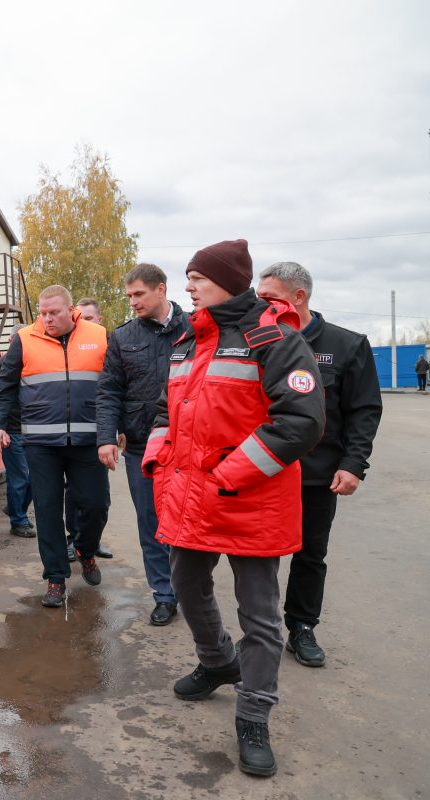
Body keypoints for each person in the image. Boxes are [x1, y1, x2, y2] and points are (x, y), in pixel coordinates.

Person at [144, 240, 324, 777]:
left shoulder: (276, 339)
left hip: (250, 503)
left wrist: (228, 476)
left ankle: (254, 715)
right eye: (188, 277)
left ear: (229, 281)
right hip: (190, 500)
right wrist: (157, 460)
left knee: (261, 618)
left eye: (197, 277)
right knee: (186, 589)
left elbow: (301, 421)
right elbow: (164, 410)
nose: (189, 287)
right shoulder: (187, 340)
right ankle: (218, 662)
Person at [258, 262, 382, 667]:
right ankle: (260, 630)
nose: (262, 305)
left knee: (311, 552)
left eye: (270, 297)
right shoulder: (258, 340)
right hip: (264, 470)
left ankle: (301, 626)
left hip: (317, 474)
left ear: (299, 298)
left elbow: (363, 411)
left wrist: (353, 463)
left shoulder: (346, 345)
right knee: (259, 554)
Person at [0, 285, 110, 608]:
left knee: (96, 504)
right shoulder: (25, 338)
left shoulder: (99, 336)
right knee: (47, 510)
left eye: (54, 312)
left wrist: (115, 430)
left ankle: (85, 548)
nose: (47, 319)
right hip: (41, 443)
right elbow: (5, 385)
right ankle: (55, 578)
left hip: (88, 440)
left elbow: (113, 386)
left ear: (70, 310)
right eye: (42, 313)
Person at [96, 264, 191, 626]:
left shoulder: (195, 330)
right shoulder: (123, 338)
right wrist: (106, 437)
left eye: (139, 294)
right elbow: (109, 391)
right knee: (150, 523)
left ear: (161, 290)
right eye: (129, 296)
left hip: (189, 445)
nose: (133, 301)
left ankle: (191, 590)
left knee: (188, 520)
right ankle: (164, 594)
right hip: (140, 446)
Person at [75, 298, 113, 560]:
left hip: (98, 432)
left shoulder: (109, 346)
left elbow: (114, 389)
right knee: (73, 495)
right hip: (73, 433)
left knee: (99, 499)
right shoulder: (70, 348)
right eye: (80, 318)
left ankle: (91, 540)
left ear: (99, 320)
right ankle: (73, 540)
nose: (83, 323)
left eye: (89, 318)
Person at [0, 351, 35, 538]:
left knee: (37, 478)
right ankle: (18, 521)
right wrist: (0, 427)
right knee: (20, 477)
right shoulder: (0, 366)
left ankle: (15, 508)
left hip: (32, 430)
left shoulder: (31, 362)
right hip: (12, 431)